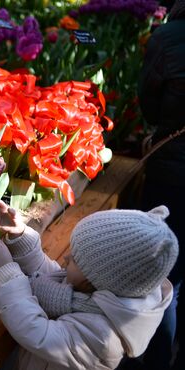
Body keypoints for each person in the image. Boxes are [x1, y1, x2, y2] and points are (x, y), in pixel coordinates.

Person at [0, 200, 177, 370]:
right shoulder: (98, 292)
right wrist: (21, 237)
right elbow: (54, 278)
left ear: (99, 280)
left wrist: (7, 271)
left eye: (75, 260)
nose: (66, 257)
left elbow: (37, 333)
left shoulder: (103, 337)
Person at [137, 1, 185, 369]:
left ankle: (153, 361)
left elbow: (150, 107)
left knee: (160, 278)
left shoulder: (169, 37)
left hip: (174, 176)